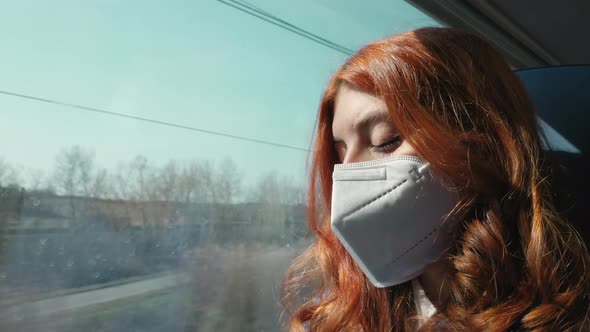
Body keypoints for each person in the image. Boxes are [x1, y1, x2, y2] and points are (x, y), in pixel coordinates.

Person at [281, 27, 590, 331]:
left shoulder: (563, 313)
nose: (349, 178)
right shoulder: (339, 315)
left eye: (385, 140)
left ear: (482, 146)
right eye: (340, 154)